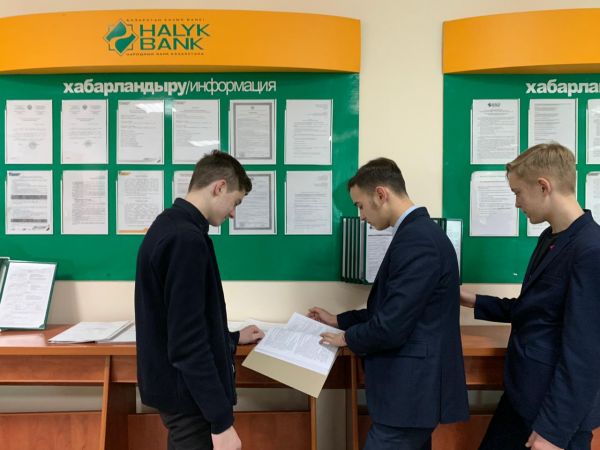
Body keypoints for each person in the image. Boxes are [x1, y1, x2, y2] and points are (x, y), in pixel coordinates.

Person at [310, 157, 469, 450]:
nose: (360, 216)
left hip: (410, 391)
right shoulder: (416, 233)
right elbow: (392, 309)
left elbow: (392, 325)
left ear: (381, 194)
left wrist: (346, 338)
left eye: (360, 205)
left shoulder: (417, 240)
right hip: (411, 392)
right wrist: (338, 320)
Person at [461, 143, 600, 450]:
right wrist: (471, 299)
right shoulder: (550, 238)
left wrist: (553, 432)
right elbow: (534, 308)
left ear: (543, 186)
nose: (516, 203)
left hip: (556, 413)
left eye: (518, 193)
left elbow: (585, 354)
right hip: (524, 395)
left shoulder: (590, 250)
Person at [135, 150, 265, 450]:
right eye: (235, 202)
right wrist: (221, 423)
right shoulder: (186, 239)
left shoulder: (170, 225)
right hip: (190, 398)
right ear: (219, 187)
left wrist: (231, 338)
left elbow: (183, 319)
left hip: (180, 391)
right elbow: (187, 342)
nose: (233, 214)